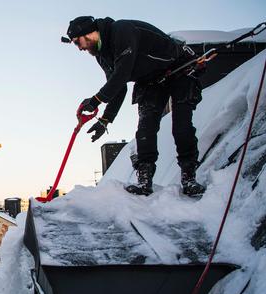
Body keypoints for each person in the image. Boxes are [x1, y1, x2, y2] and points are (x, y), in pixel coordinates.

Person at [67, 16, 206, 196]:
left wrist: (96, 100)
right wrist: (104, 120)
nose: (80, 48)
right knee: (145, 130)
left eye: (78, 41)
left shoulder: (121, 31)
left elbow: (122, 74)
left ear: (90, 32)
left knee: (181, 126)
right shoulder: (102, 56)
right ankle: (144, 181)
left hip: (179, 70)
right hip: (150, 81)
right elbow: (119, 88)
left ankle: (189, 178)